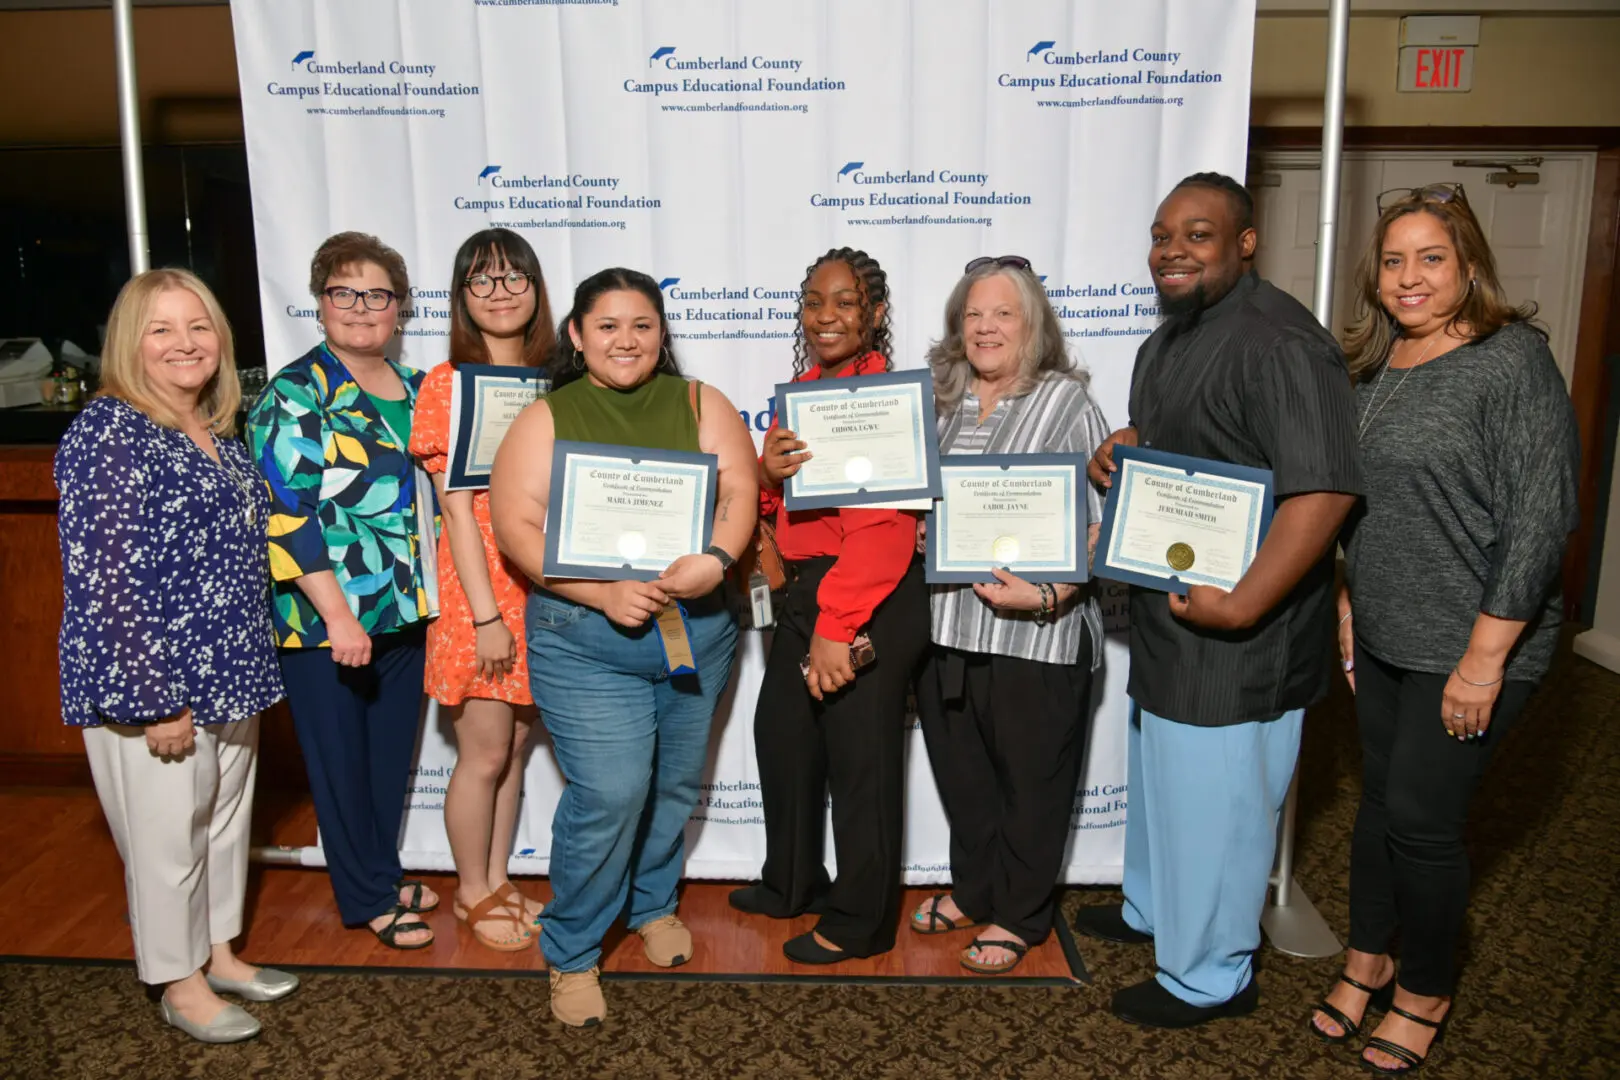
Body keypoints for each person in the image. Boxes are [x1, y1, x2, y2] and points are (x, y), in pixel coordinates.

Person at [1078, 173, 1363, 1027]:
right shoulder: (1171, 337)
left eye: (1197, 235)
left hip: (1243, 629)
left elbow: (1325, 492)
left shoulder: (1282, 342)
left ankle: (1210, 976)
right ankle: (1158, 915)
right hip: (1176, 612)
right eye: (1162, 234)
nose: (1172, 250)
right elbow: (1193, 443)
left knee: (1221, 804)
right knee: (1168, 785)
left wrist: (1242, 606)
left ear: (1245, 243)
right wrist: (1126, 444)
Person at [1310, 184, 1579, 1074]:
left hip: (1476, 644)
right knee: (1379, 807)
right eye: (1394, 261)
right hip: (1386, 633)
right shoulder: (1376, 368)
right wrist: (1348, 596)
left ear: (1468, 266)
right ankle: (1367, 958)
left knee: (1423, 821)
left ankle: (1425, 989)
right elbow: (1361, 505)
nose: (1410, 277)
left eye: (1431, 258)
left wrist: (1482, 661)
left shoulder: (1512, 361)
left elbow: (1543, 519)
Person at [489, 267, 756, 1026]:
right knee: (610, 794)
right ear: (576, 335)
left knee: (673, 786)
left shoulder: (702, 402)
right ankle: (572, 951)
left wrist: (718, 557)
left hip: (695, 635)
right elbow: (516, 528)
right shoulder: (546, 417)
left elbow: (738, 489)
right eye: (606, 325)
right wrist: (599, 592)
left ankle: (652, 903)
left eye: (641, 324)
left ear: (662, 333)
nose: (625, 340)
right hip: (584, 643)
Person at [56, 269, 295, 1043]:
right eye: (161, 329)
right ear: (130, 344)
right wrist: (153, 698)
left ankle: (218, 951)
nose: (185, 343)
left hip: (230, 672)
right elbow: (108, 579)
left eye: (199, 326)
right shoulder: (109, 432)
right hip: (157, 684)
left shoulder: (217, 433)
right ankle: (177, 981)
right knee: (165, 845)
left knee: (221, 828)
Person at [726, 247, 931, 965]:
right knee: (783, 736)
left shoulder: (888, 396)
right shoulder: (803, 392)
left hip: (869, 592)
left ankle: (859, 921)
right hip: (804, 590)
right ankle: (792, 881)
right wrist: (765, 473)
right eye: (815, 301)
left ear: (874, 314)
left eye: (845, 302)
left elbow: (883, 527)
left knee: (861, 764)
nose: (826, 316)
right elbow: (781, 507)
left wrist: (838, 627)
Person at [909, 256, 1110, 975]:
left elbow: (1106, 526)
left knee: (1032, 785)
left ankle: (1021, 913)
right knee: (966, 779)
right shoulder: (940, 403)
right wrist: (922, 529)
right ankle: (976, 889)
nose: (986, 327)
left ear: (1033, 327)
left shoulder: (1066, 404)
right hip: (947, 632)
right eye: (973, 314)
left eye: (1003, 314)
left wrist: (1053, 594)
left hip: (1039, 635)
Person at [246, 232, 438, 950]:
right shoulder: (296, 393)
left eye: (378, 294)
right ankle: (364, 897)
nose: (361, 307)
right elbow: (284, 513)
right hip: (325, 618)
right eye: (343, 292)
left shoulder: (420, 390)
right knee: (342, 763)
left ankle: (380, 872)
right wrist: (337, 618)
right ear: (321, 303)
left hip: (405, 610)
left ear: (400, 309)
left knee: (389, 759)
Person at [409, 228, 552, 952]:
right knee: (485, 753)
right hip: (482, 590)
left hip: (548, 589)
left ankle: (496, 879)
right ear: (463, 297)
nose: (501, 292)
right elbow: (456, 510)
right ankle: (469, 890)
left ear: (536, 288)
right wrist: (488, 616)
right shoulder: (448, 383)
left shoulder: (559, 379)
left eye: (514, 277)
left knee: (519, 750)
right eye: (482, 280)